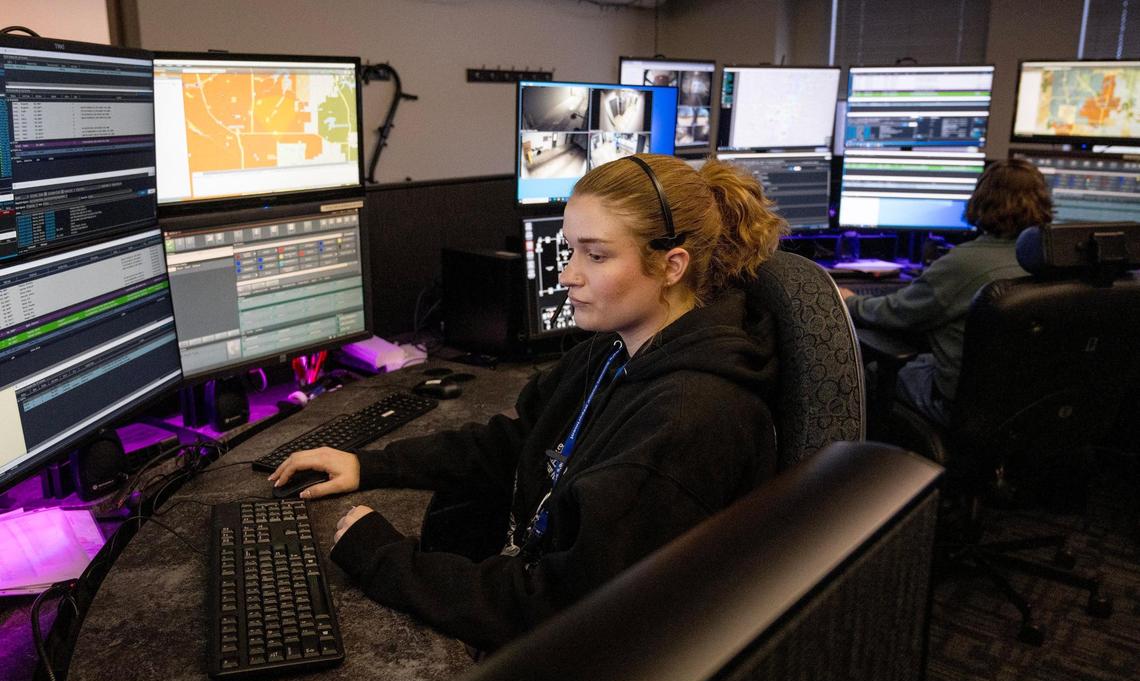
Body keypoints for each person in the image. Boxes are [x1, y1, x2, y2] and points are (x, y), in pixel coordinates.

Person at [268, 154, 788, 652]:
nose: (567, 276)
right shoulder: (613, 350)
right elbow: (518, 443)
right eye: (570, 249)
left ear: (672, 265)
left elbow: (560, 609)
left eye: (597, 255)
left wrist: (381, 556)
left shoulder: (688, 421)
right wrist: (369, 464)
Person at [839, 158, 1054, 427]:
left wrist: (850, 301)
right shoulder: (1049, 261)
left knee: (869, 371)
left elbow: (897, 313)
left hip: (956, 404)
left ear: (981, 200)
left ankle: (871, 463)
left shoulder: (964, 263)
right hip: (1028, 406)